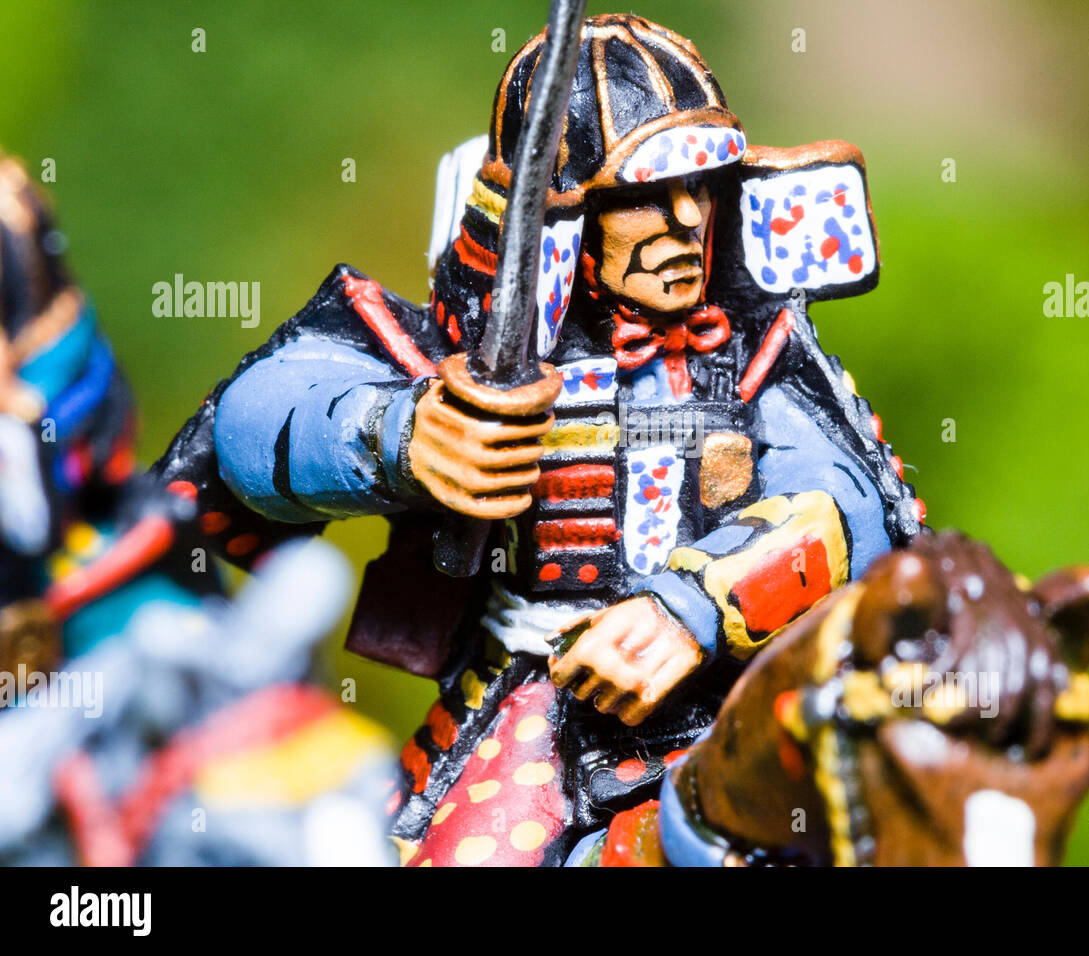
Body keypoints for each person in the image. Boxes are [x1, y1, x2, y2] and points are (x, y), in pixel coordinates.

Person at [153, 14, 923, 865]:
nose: (683, 219)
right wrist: (402, 438)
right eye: (641, 195)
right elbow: (254, 422)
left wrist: (691, 610)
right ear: (571, 219)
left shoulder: (755, 357)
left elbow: (851, 505)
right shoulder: (464, 361)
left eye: (701, 183)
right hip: (538, 713)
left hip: (732, 702)